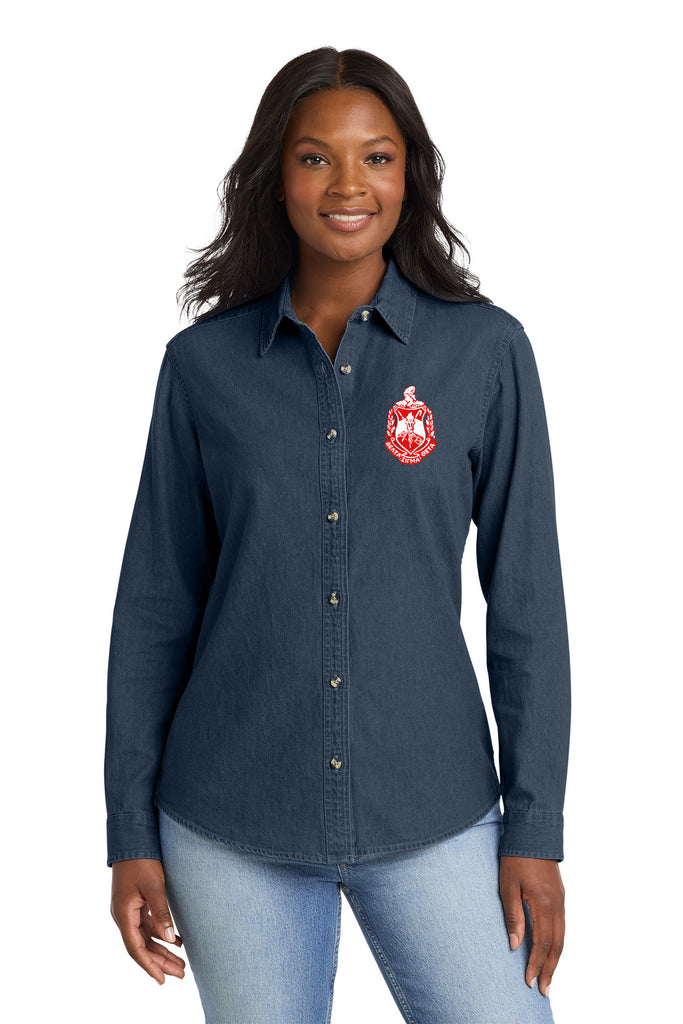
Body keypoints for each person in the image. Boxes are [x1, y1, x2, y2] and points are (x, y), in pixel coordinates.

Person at [105, 46, 571, 1024]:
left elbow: (526, 604)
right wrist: (129, 832)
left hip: (433, 803)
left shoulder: (483, 353)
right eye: (315, 157)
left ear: (410, 175)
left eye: (377, 157)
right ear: (275, 178)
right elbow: (154, 607)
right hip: (229, 816)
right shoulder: (201, 368)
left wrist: (534, 827)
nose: (348, 184)